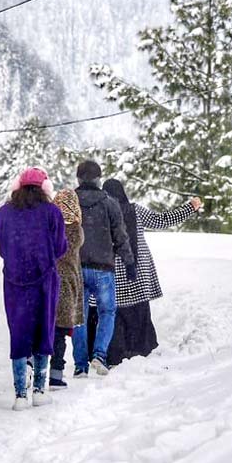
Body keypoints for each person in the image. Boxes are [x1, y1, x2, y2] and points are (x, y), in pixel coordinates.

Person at [101, 179, 202, 365]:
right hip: (137, 270)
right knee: (139, 312)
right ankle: (142, 349)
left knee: (113, 316)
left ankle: (115, 354)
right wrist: (190, 208)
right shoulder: (136, 211)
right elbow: (162, 220)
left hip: (111, 273)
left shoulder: (102, 213)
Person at [0, 168, 67, 411]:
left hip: (15, 282)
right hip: (45, 281)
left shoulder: (5, 212)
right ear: (44, 188)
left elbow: (3, 249)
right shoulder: (52, 212)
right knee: (43, 330)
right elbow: (60, 248)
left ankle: (19, 395)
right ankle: (39, 389)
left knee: (19, 333)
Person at [72, 161, 135, 377]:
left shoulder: (70, 202)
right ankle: (99, 355)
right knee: (106, 312)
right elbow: (120, 235)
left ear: (78, 179)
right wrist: (129, 261)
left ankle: (80, 365)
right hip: (103, 267)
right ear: (99, 179)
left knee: (79, 316)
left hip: (76, 267)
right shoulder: (110, 203)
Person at [50, 189, 85, 390]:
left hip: (50, 280)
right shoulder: (77, 230)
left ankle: (32, 367)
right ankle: (56, 375)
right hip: (68, 284)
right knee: (60, 332)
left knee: (43, 328)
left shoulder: (50, 227)